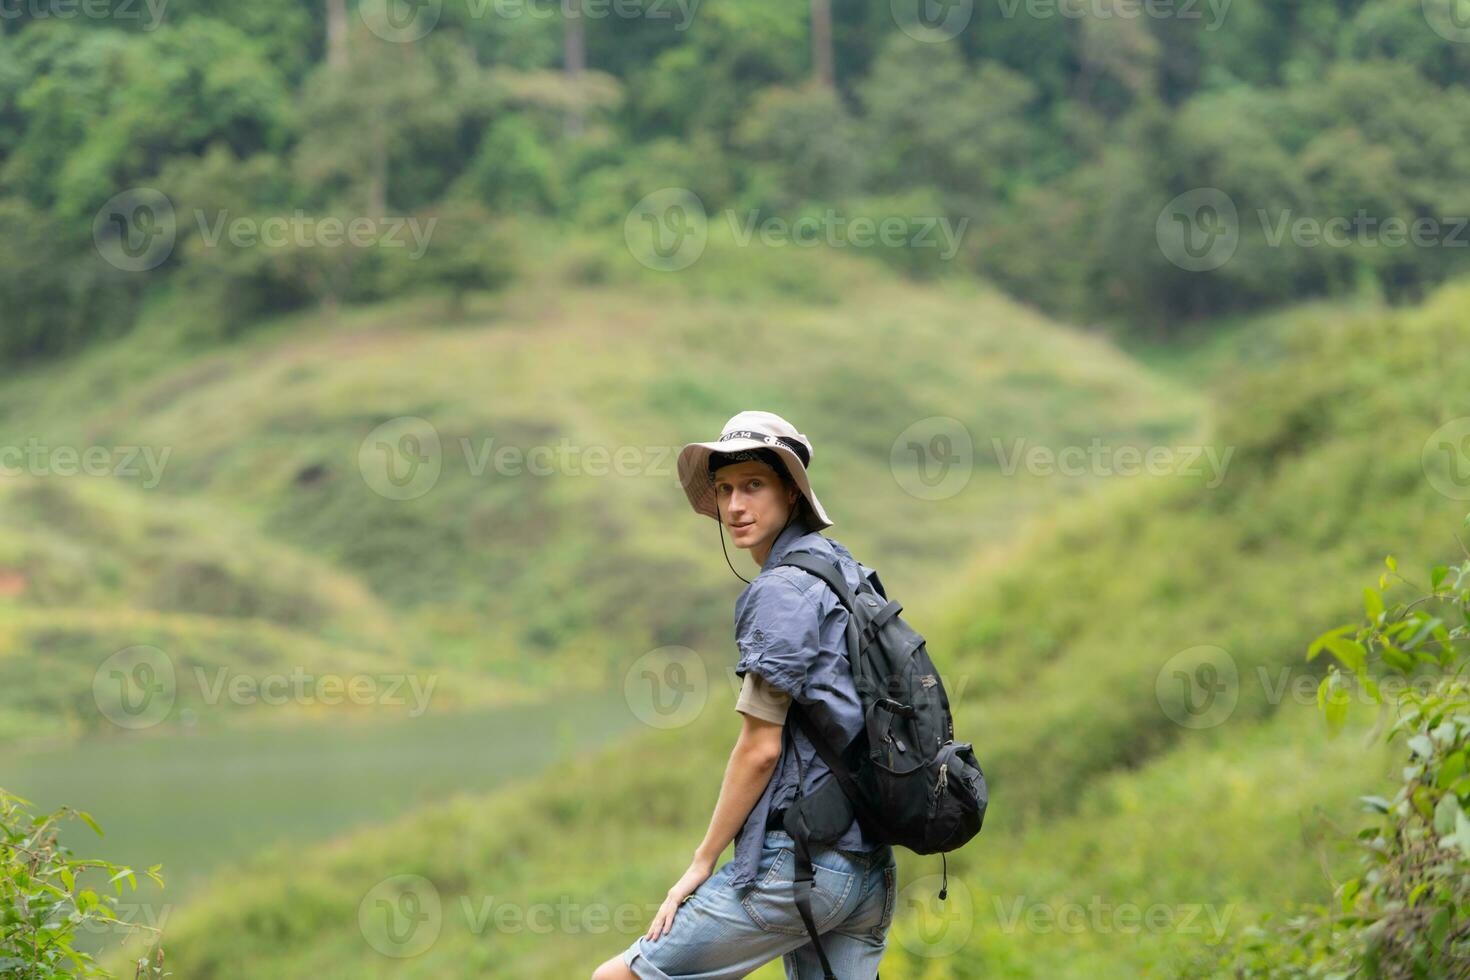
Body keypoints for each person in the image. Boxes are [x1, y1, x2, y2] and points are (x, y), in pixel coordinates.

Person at [592, 410, 897, 980]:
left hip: (802, 866)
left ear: (790, 491)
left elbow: (759, 748)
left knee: (616, 979)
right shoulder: (846, 570)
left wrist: (701, 863)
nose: (734, 506)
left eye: (753, 485)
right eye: (726, 489)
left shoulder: (781, 591)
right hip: (868, 869)